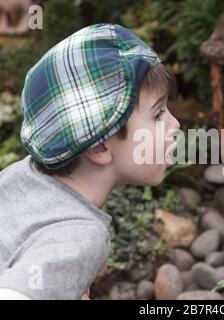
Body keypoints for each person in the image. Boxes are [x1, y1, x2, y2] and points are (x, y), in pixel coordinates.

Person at [0, 23, 180, 300]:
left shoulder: (18, 177)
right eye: (158, 115)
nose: (175, 125)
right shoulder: (79, 235)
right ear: (98, 147)